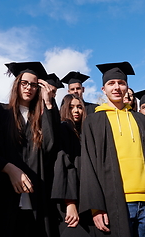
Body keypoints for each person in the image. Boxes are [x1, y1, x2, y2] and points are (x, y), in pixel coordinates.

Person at [79, 61, 145, 237]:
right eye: (111, 83)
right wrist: (96, 207)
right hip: (116, 201)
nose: (117, 87)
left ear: (127, 87)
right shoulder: (93, 121)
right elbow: (88, 165)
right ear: (104, 90)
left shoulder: (139, 119)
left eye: (121, 83)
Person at [0, 61, 60, 237]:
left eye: (34, 84)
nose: (29, 88)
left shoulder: (39, 119)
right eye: (24, 83)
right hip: (3, 196)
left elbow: (50, 146)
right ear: (17, 84)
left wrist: (48, 103)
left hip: (35, 198)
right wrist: (8, 168)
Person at [51, 94, 90, 236]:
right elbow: (64, 165)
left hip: (82, 195)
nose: (76, 111)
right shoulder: (63, 129)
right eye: (71, 107)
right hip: (68, 197)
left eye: (79, 107)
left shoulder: (82, 132)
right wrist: (70, 202)